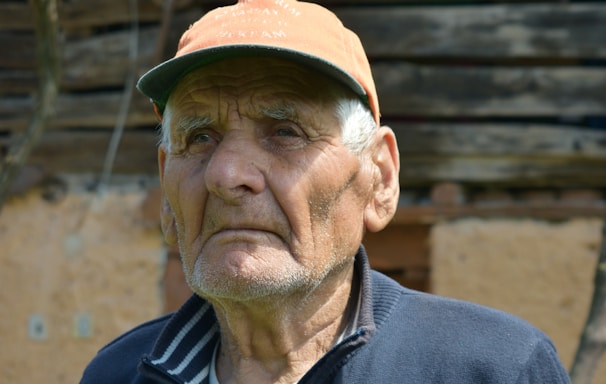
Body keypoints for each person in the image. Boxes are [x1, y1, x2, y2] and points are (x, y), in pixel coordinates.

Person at [81, 1, 571, 383]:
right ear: (167, 193)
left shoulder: (495, 370)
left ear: (379, 177)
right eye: (199, 137)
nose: (226, 174)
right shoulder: (118, 374)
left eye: (286, 132)